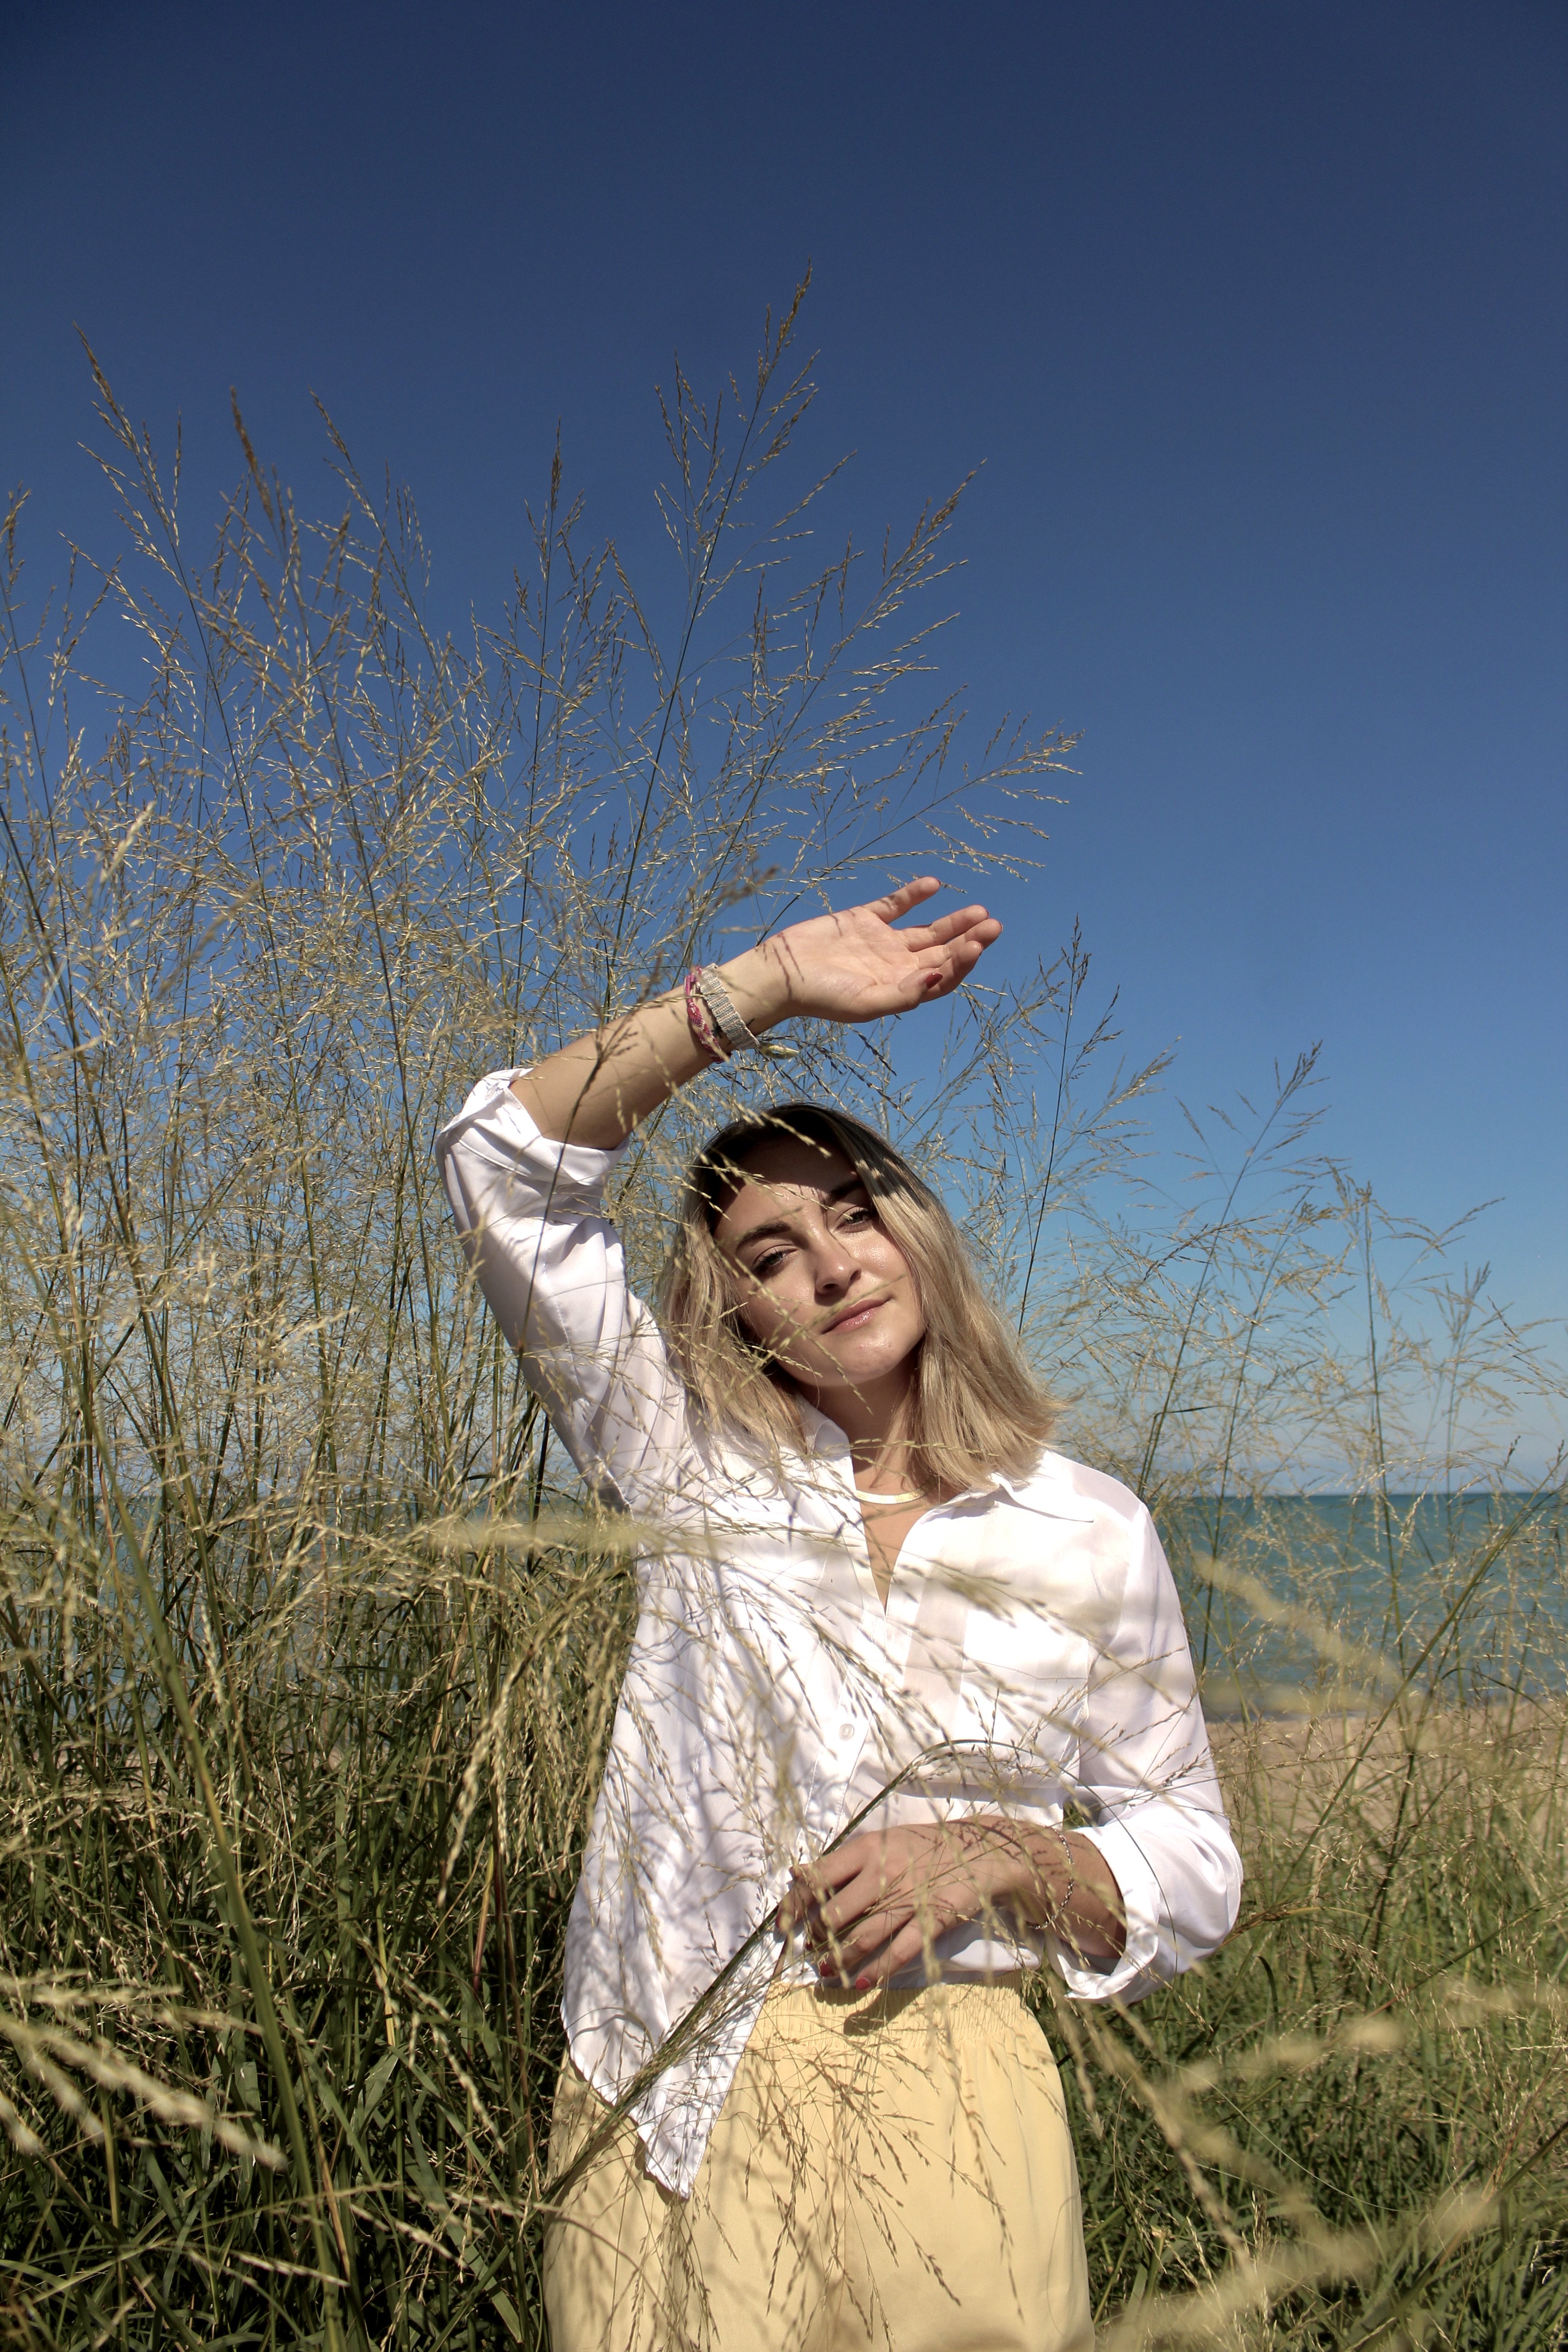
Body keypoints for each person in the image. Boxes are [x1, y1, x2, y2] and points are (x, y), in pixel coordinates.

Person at [436, 878, 1242, 2352]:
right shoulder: (685, 1462)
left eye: (855, 1213)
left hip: (953, 2114)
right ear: (736, 1309)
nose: (828, 1263)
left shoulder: (1090, 1526)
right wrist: (770, 983)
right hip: (663, 2085)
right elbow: (506, 1163)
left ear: (917, 1235)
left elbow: (1193, 1861)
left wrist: (1001, 1850)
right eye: (767, 1253)